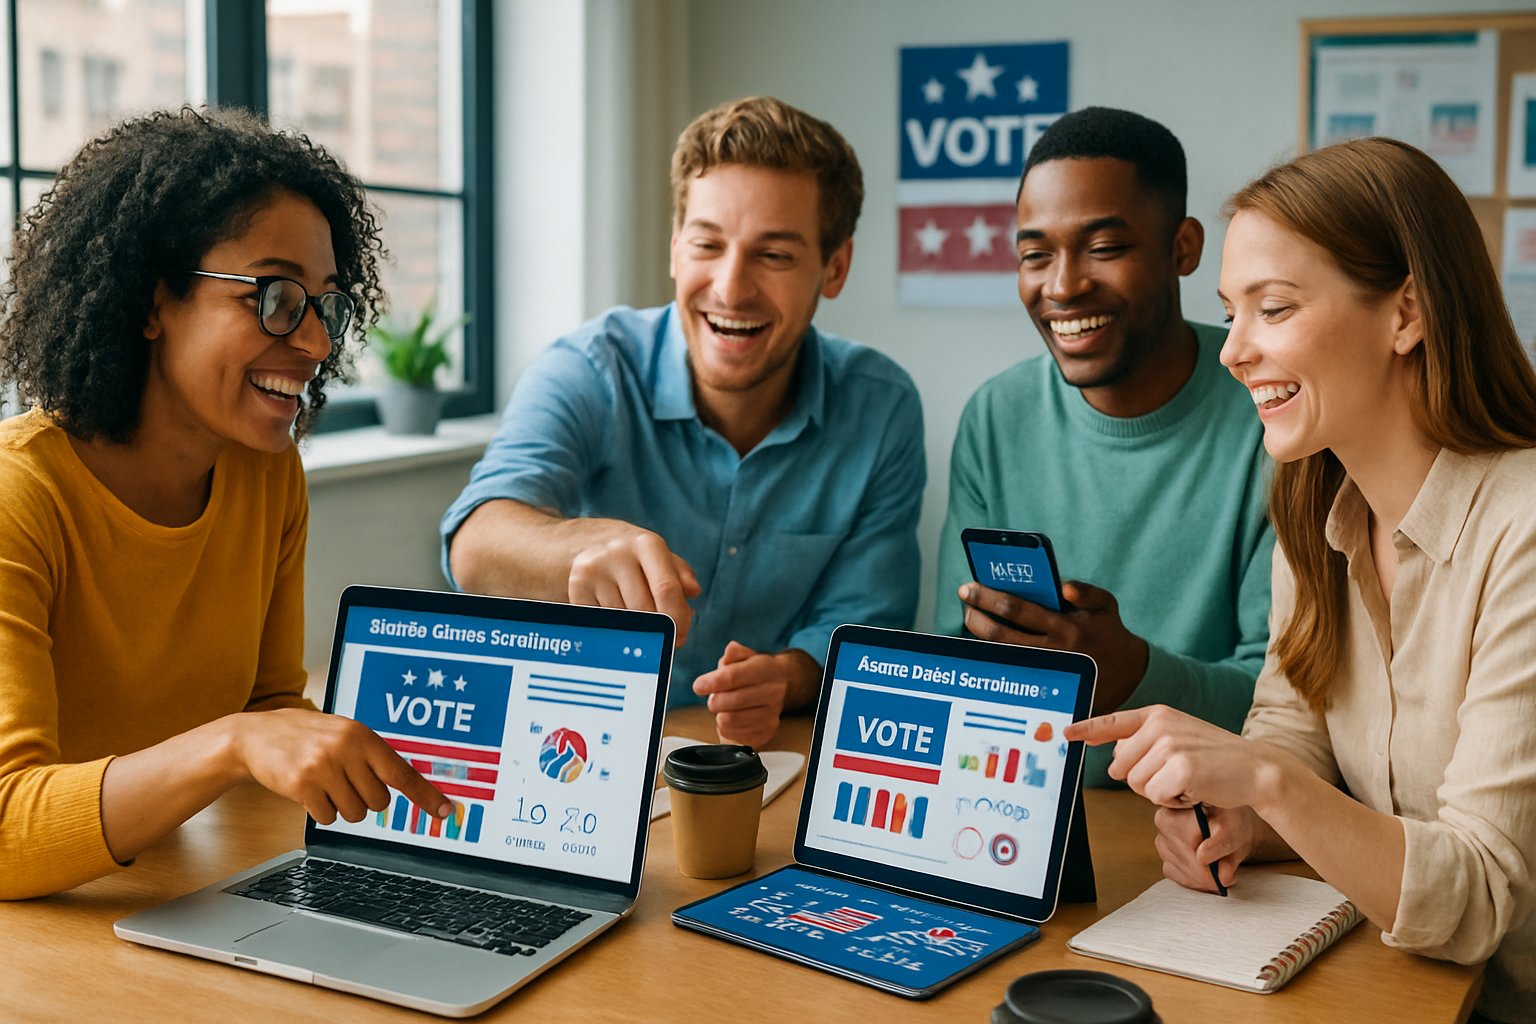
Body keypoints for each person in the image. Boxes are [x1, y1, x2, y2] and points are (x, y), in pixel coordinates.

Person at [1066, 137, 1536, 1024]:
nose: (1233, 352)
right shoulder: (1319, 506)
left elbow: (1477, 897)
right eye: (1230, 313)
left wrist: (1265, 784)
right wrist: (1240, 816)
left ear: (1406, 314)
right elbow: (1293, 736)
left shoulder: (1524, 530)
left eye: (1273, 309)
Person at [0, 108, 451, 900]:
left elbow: (271, 707)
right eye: (277, 298)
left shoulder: (266, 476)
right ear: (150, 299)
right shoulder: (18, 499)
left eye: (326, 306)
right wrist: (234, 742)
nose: (314, 343)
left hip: (140, 898)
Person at [442, 96, 924, 748]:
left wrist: (784, 678)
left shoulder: (881, 404)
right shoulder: (589, 368)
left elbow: (862, 628)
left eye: (774, 255)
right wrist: (585, 545)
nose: (730, 288)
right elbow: (474, 545)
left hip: (757, 763)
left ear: (834, 267)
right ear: (675, 249)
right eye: (707, 244)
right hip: (571, 745)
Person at [934, 107, 1273, 785]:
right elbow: (951, 655)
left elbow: (1291, 707)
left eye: (1104, 247)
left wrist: (1135, 676)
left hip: (1210, 822)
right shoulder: (997, 416)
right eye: (1035, 254)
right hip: (1016, 809)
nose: (1061, 286)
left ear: (1183, 248)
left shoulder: (1269, 409)